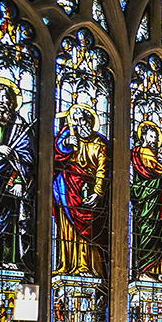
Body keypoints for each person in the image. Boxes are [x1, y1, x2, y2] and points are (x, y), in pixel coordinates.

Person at [52, 101, 108, 276]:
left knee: (87, 229)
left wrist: (98, 192)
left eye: (83, 120)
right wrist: (66, 144)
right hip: (67, 189)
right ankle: (67, 264)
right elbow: (56, 154)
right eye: (76, 121)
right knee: (67, 227)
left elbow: (102, 169)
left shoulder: (99, 143)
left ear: (90, 122)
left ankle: (87, 266)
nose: (80, 125)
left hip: (87, 191)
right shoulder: (69, 136)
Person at [0, 76, 32, 267]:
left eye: (5, 97)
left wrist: (21, 181)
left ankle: (9, 260)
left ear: (12, 101)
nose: (1, 101)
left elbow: (28, 155)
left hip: (10, 181)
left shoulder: (20, 125)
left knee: (9, 220)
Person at [129, 120, 162, 279]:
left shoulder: (151, 154)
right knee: (149, 232)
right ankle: (144, 271)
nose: (154, 140)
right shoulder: (144, 152)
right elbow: (161, 172)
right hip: (147, 198)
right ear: (144, 136)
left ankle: (159, 272)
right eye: (151, 136)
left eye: (156, 137)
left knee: (160, 233)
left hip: (158, 198)